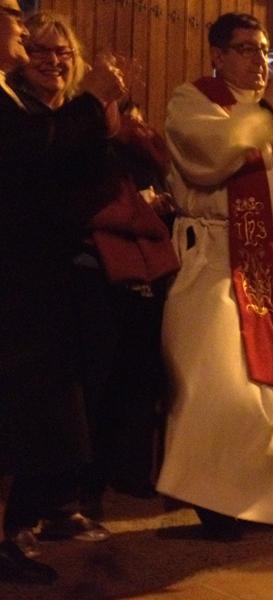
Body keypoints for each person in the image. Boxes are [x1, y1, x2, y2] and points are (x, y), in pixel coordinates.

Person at [156, 12, 273, 539]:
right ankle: (217, 502)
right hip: (217, 256)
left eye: (263, 51)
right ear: (217, 54)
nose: (258, 60)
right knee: (218, 380)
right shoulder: (191, 100)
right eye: (244, 49)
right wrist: (267, 107)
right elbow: (211, 154)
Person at [13, 11, 177, 520]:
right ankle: (46, 506)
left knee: (116, 383)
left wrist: (117, 113)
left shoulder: (89, 116)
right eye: (39, 50)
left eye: (63, 53)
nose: (53, 61)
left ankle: (86, 492)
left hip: (119, 268)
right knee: (68, 391)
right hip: (61, 268)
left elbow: (154, 162)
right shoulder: (25, 114)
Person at [1, 0, 126, 566]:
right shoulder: (24, 106)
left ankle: (41, 511)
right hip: (20, 271)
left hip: (48, 270)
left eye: (59, 50)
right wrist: (92, 105)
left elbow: (82, 179)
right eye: (12, 14)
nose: (23, 29)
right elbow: (30, 162)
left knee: (53, 399)